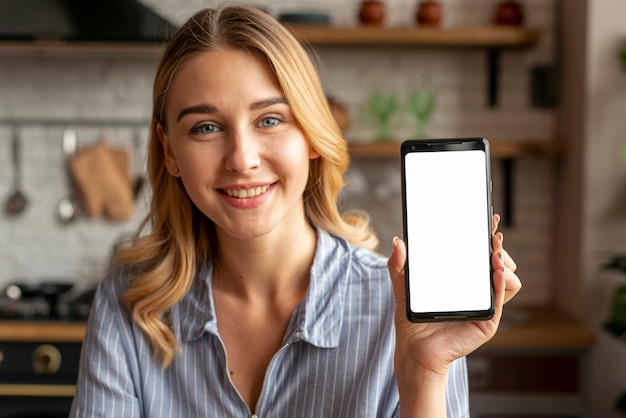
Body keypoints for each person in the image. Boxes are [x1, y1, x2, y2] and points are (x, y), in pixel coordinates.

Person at [70, 4, 520, 417]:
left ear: (310, 134)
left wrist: (424, 376)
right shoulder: (129, 304)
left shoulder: (398, 311)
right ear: (169, 152)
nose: (242, 159)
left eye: (269, 120)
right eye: (206, 127)